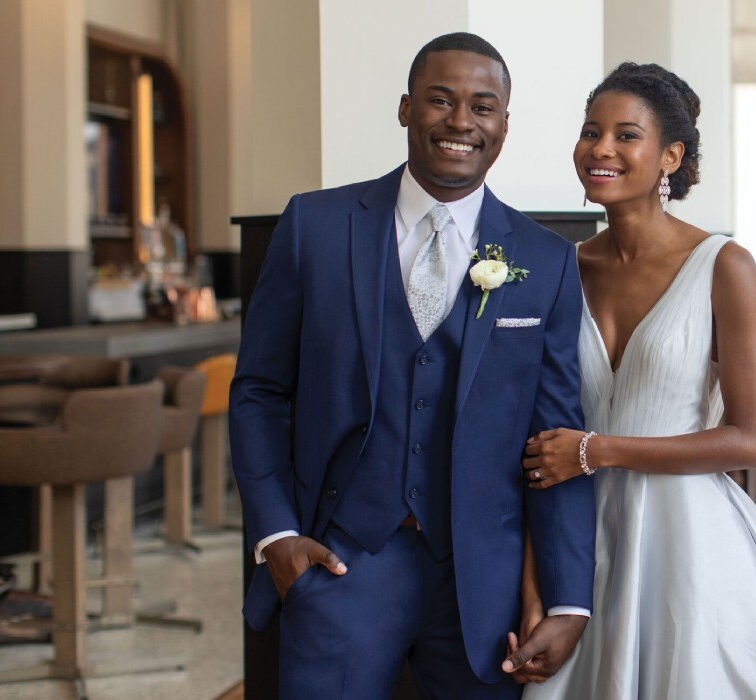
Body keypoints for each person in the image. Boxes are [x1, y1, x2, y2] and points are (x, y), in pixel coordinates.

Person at [229, 32, 595, 698]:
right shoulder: (315, 226)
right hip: (339, 562)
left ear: (504, 126)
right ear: (405, 109)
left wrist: (569, 598)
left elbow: (556, 441)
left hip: (483, 583)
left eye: (483, 107)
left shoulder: (545, 261)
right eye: (439, 100)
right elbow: (258, 390)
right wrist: (276, 534)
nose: (460, 121)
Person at [515, 62, 756, 699]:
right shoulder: (562, 268)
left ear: (671, 155)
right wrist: (536, 589)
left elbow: (749, 440)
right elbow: (540, 445)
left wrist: (597, 450)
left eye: (625, 135)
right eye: (591, 132)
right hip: (578, 541)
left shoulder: (724, 265)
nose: (601, 150)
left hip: (688, 547)